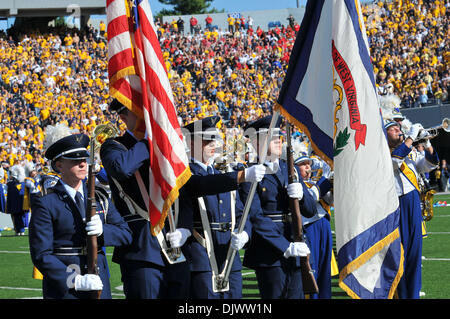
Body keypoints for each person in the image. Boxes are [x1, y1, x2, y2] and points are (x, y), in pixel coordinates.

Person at [29, 123, 132, 299]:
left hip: (99, 282)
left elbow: (126, 234)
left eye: (84, 158)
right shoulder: (46, 203)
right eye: (75, 160)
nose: (82, 164)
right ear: (59, 165)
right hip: (65, 289)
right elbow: (41, 255)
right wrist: (75, 280)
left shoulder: (99, 198)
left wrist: (103, 232)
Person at [180, 116, 270, 299]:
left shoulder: (222, 172)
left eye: (215, 139)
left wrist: (245, 233)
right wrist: (240, 176)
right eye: (206, 140)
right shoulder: (185, 174)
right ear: (192, 142)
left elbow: (240, 212)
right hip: (201, 259)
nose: (213, 144)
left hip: (229, 257)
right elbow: (203, 184)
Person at [239, 115, 318, 299]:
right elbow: (256, 217)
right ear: (257, 144)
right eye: (271, 137)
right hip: (270, 254)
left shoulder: (290, 169)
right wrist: (286, 246)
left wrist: (302, 195)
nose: (277, 141)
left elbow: (310, 211)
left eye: (279, 137)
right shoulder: (250, 173)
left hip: (296, 244)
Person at [385, 120, 439, 299]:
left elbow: (429, 165)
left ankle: (413, 294)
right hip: (396, 205)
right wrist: (410, 138)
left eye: (398, 128)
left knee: (415, 254)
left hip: (413, 203)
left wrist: (428, 143)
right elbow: (394, 162)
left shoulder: (409, 153)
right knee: (400, 254)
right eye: (393, 129)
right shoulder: (382, 153)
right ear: (385, 135)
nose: (398, 131)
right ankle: (400, 294)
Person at [294, 149, 334, 299]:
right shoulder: (296, 185)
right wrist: (324, 180)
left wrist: (334, 184)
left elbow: (329, 201)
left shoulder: (313, 182)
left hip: (324, 224)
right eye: (303, 164)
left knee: (325, 270)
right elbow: (311, 199)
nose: (308, 167)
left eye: (308, 164)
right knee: (313, 268)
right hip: (309, 227)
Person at [7, 164, 27, 235]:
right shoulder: (11, 184)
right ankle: (19, 230)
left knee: (19, 217)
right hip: (17, 204)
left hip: (18, 204)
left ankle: (20, 230)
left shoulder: (12, 184)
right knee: (18, 217)